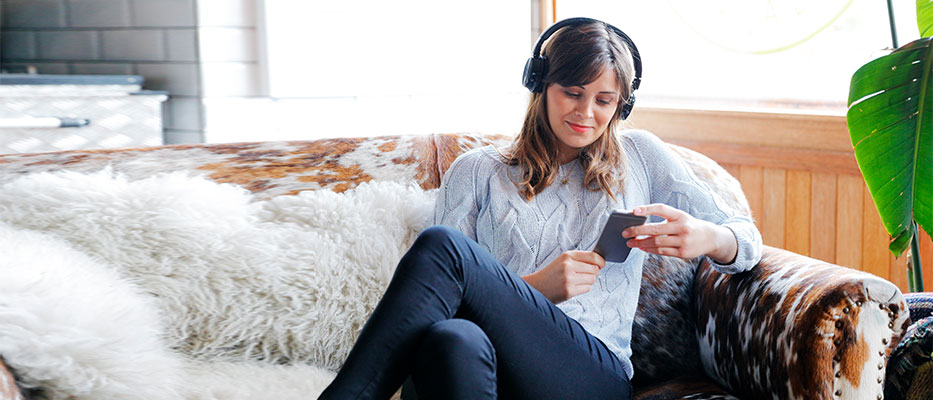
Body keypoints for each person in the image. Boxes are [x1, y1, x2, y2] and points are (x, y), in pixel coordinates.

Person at [318, 17, 762, 400]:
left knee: (442, 247)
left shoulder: (642, 157)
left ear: (621, 105)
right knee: (451, 338)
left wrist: (708, 237)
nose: (586, 112)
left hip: (589, 375)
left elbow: (747, 240)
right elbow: (439, 308)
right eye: (572, 92)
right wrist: (537, 288)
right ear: (540, 85)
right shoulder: (476, 172)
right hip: (488, 363)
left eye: (604, 100)